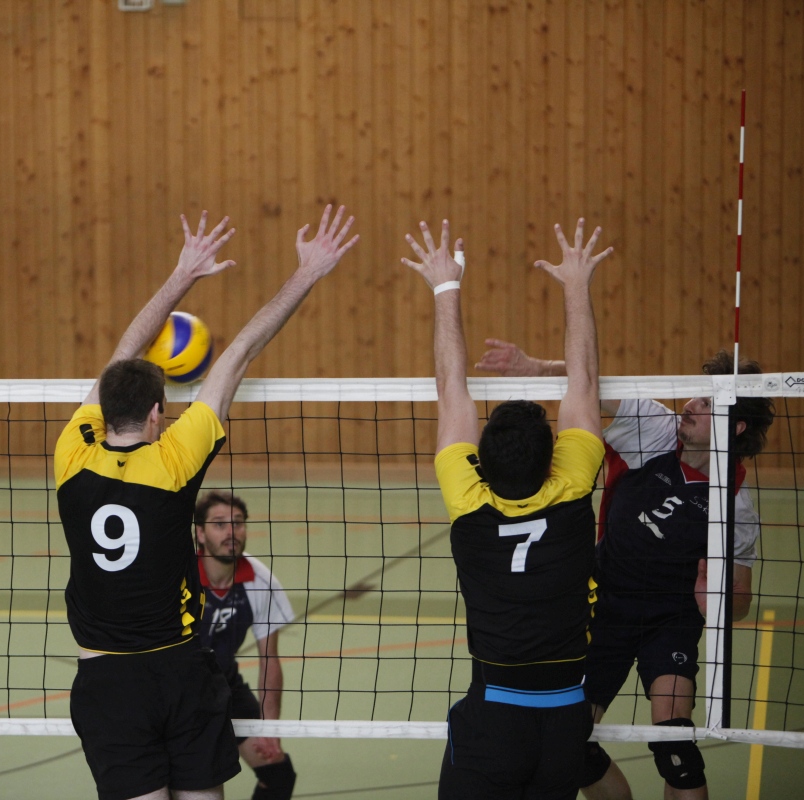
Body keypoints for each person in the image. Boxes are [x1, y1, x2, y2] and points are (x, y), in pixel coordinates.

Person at [54, 207, 357, 800]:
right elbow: (240, 351)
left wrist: (181, 274)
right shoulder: (174, 461)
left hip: (106, 678)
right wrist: (307, 272)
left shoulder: (72, 451)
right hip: (180, 668)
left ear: (103, 408)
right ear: (157, 414)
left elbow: (121, 356)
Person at [476, 343, 774, 799]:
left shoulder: (738, 505)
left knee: (675, 746)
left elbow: (740, 602)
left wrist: (716, 602)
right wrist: (533, 367)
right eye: (697, 394)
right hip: (604, 605)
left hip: (671, 619)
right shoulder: (653, 427)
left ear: (736, 427)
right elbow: (588, 383)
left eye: (707, 403)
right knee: (569, 741)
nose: (690, 404)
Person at [404, 218, 612, 799]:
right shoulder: (572, 489)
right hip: (566, 721)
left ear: (481, 463)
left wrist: (446, 286)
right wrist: (577, 285)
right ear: (552, 460)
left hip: (494, 716)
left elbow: (451, 387)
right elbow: (584, 380)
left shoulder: (469, 503)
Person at [194, 491, 297, 800]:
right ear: (200, 533)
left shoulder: (260, 581)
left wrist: (269, 728)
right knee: (191, 783)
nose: (231, 532)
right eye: (219, 524)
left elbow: (269, 659)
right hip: (176, 693)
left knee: (278, 774)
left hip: (224, 684)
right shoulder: (178, 577)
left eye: (237, 523)